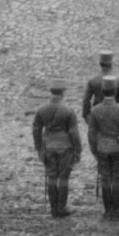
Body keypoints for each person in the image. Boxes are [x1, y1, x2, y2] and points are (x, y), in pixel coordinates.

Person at [87, 75, 119, 219]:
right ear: (115, 91)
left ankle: (107, 210)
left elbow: (91, 133)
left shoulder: (95, 110)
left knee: (105, 179)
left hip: (101, 148)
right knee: (117, 179)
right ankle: (116, 210)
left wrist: (94, 150)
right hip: (118, 149)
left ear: (103, 90)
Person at [33, 79, 81, 218]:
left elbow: (36, 130)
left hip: (48, 146)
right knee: (64, 178)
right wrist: (78, 150)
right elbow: (74, 132)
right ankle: (62, 207)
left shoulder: (41, 109)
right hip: (66, 146)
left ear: (51, 92)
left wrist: (39, 148)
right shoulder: (69, 110)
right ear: (63, 93)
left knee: (52, 177)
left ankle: (53, 208)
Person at [82, 50, 119, 121]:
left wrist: (88, 118)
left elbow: (86, 101)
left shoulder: (92, 81)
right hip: (115, 117)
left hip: (97, 117)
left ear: (100, 63)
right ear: (111, 63)